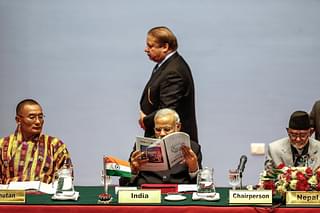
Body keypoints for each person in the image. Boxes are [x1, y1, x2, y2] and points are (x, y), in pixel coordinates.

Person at [139, 26, 198, 143]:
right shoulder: (166, 65)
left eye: (150, 46)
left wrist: (145, 120)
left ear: (165, 47)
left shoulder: (173, 71)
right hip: (162, 138)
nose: (146, 49)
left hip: (173, 143)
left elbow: (167, 110)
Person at [0, 99, 72, 184]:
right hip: (12, 196)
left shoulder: (55, 145)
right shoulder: (3, 145)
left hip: (45, 196)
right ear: (18, 120)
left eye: (40, 117)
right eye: (32, 117)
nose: (38, 122)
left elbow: (66, 179)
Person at [126, 108, 202, 186]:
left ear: (178, 127)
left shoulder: (193, 148)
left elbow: (200, 186)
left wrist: (193, 169)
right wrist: (133, 171)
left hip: (178, 194)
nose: (162, 133)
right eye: (158, 130)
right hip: (148, 193)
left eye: (167, 129)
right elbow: (123, 183)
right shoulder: (140, 146)